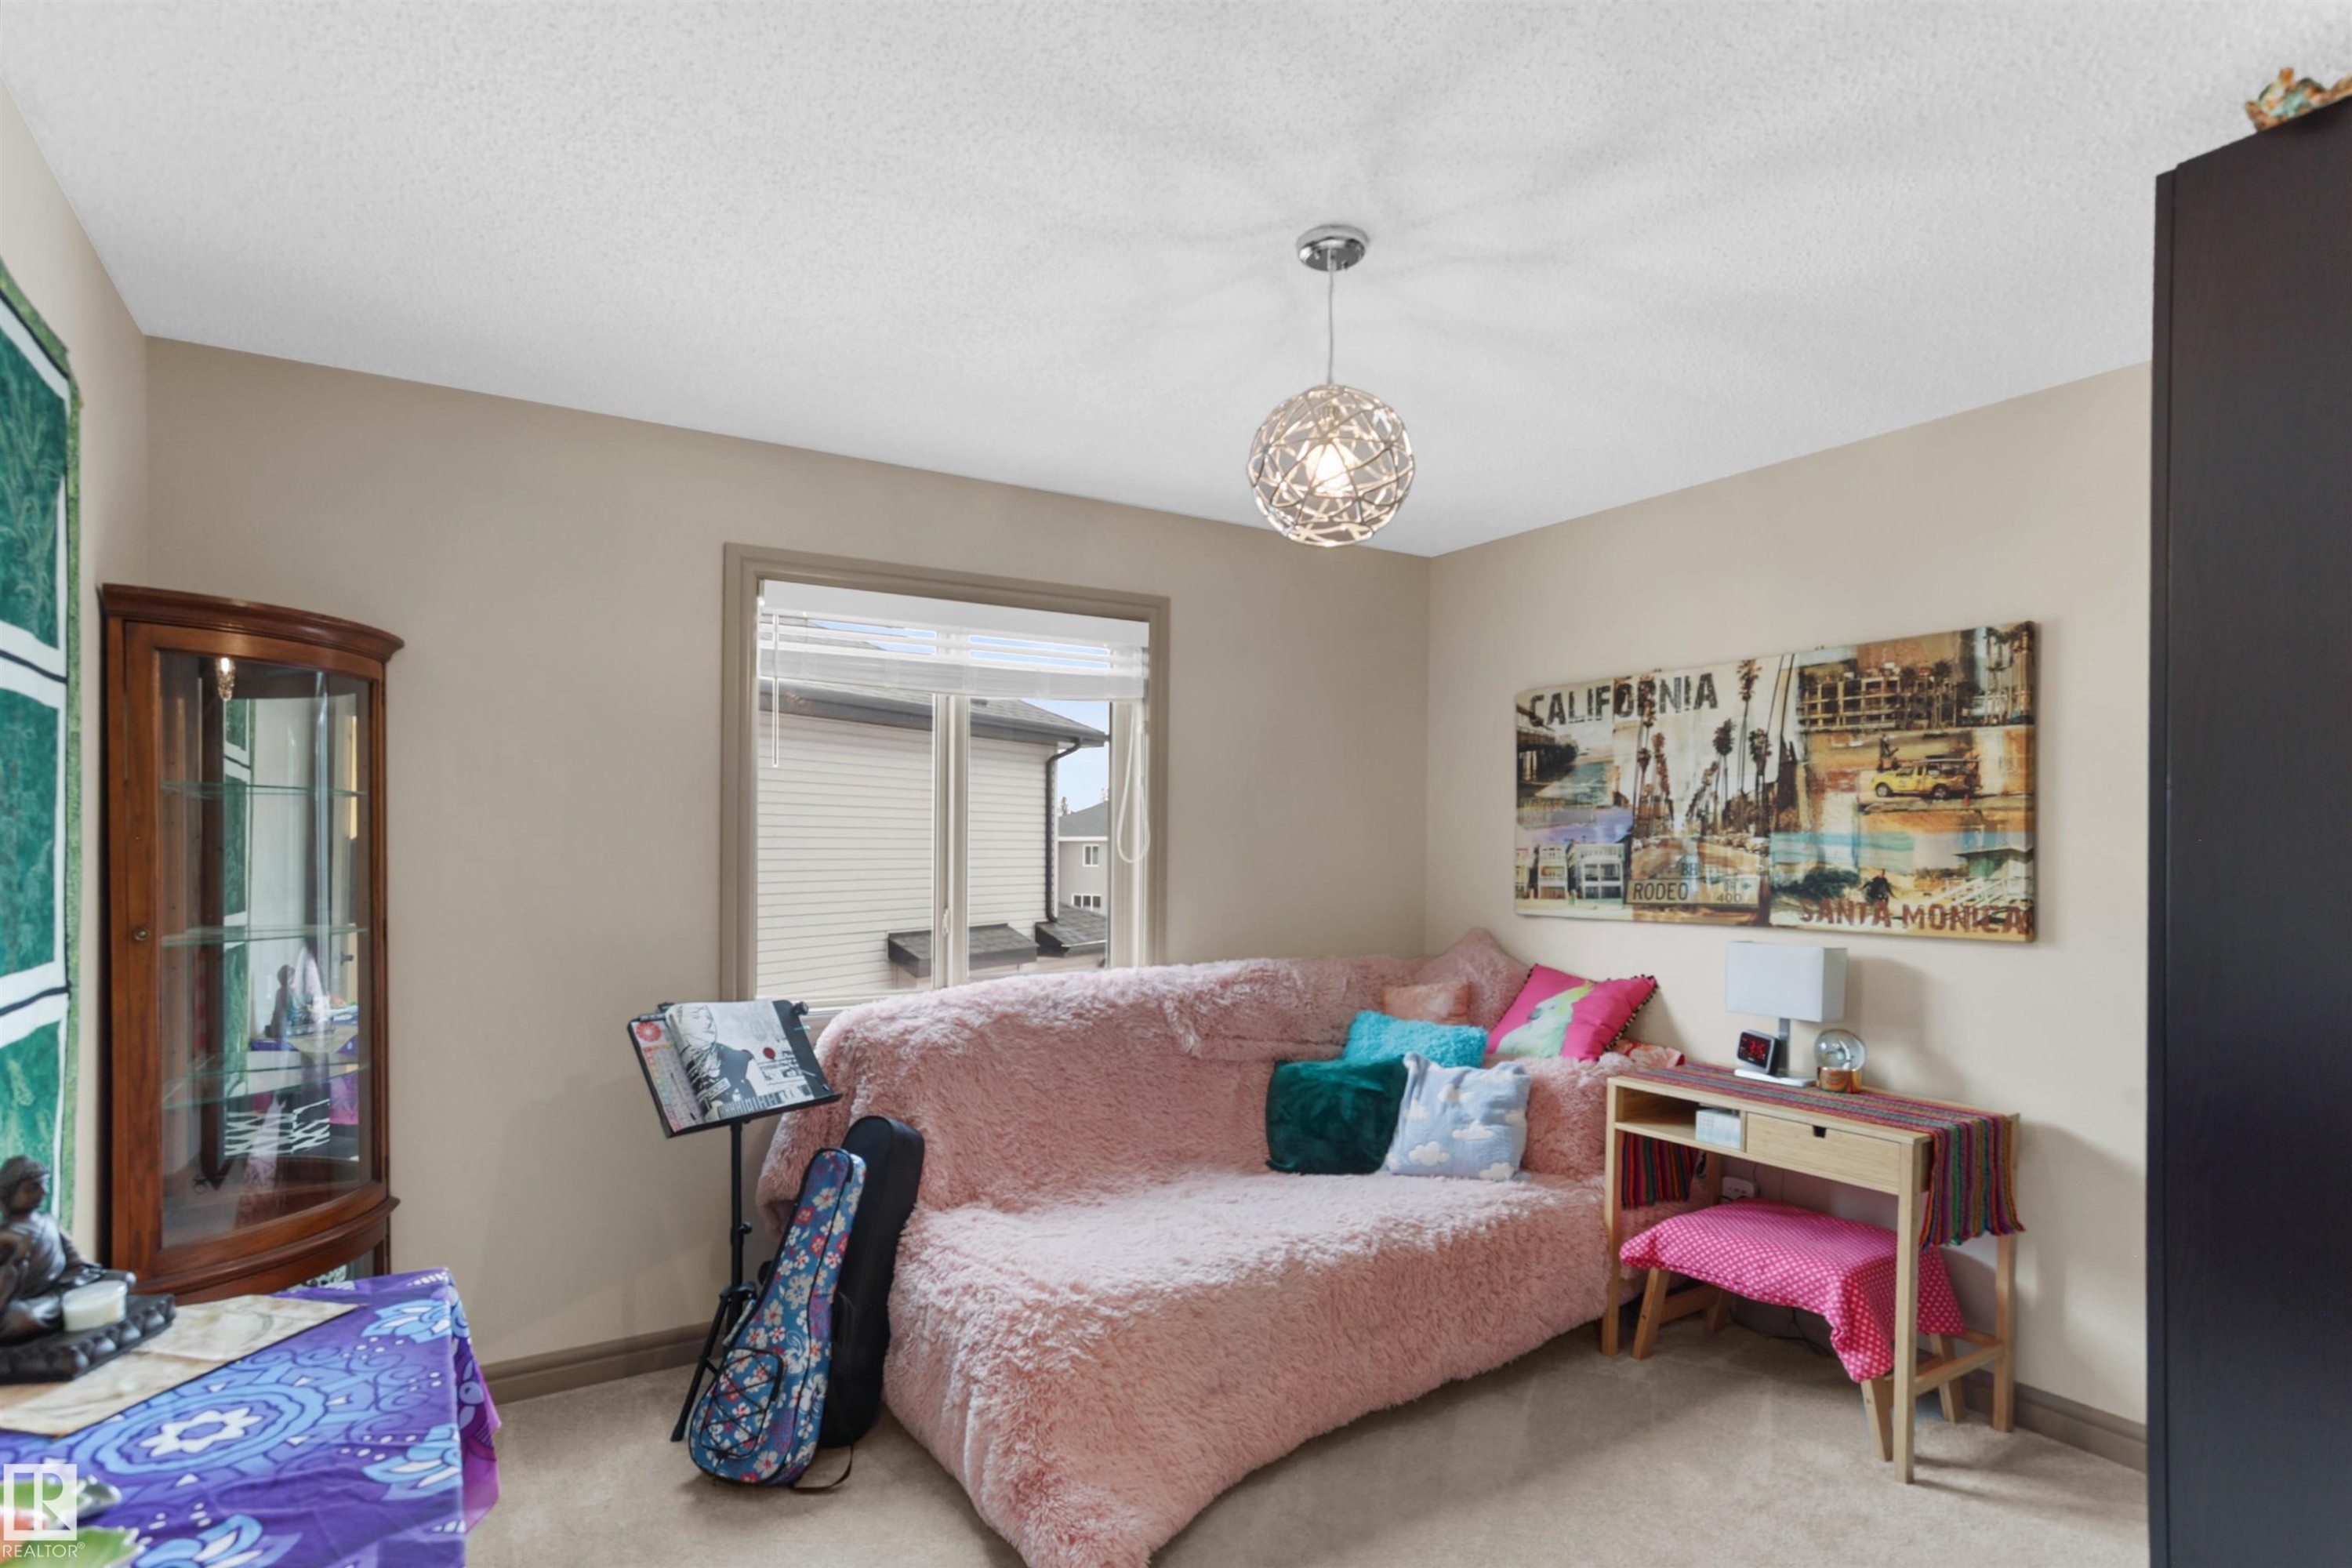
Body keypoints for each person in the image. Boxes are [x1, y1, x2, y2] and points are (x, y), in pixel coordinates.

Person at [0, 1156, 134, 1343]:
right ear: (9, 1194)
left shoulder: (49, 1221)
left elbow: (75, 1260)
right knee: (20, 1319)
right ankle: (75, 1311)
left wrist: (85, 1275)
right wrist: (17, 1261)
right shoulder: (6, 1236)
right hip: (39, 1302)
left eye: (44, 1185)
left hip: (67, 1286)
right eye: (33, 1187)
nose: (43, 1192)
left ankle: (75, 1309)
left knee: (125, 1279)